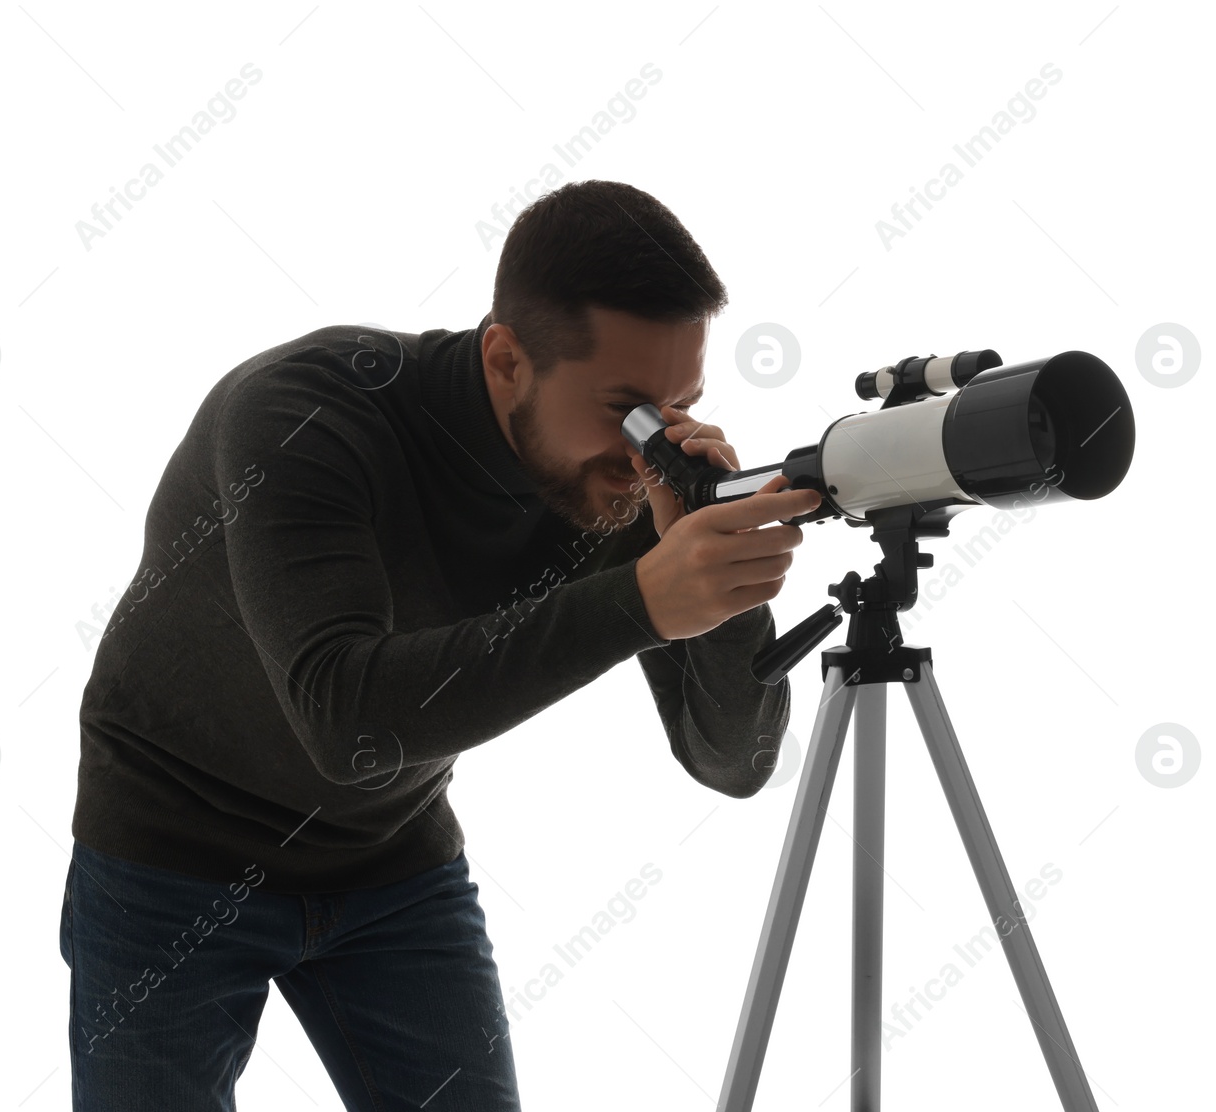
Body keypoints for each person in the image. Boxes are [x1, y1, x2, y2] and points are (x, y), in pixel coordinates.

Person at [59, 178, 823, 1111]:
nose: (646, 448)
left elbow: (736, 761)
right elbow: (345, 721)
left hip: (391, 858)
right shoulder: (304, 412)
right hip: (169, 850)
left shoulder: (624, 480)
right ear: (506, 359)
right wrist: (643, 601)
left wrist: (706, 550)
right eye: (625, 407)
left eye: (676, 406)